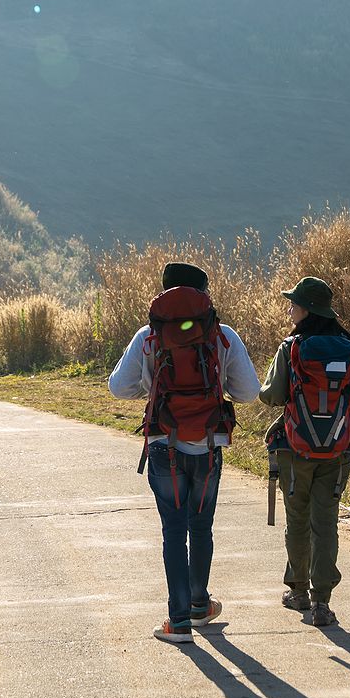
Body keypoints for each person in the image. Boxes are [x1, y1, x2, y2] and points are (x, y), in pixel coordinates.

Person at [110, 261, 261, 644]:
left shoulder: (148, 336)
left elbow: (118, 386)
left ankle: (177, 622)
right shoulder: (222, 336)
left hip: (164, 445)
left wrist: (153, 389)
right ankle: (198, 604)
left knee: (173, 532)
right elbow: (248, 393)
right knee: (201, 525)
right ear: (204, 295)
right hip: (209, 446)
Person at [260, 276, 350, 628]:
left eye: (294, 304)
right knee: (325, 523)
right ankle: (322, 604)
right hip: (337, 449)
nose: (289, 308)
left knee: (297, 519)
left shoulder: (291, 348)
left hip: (294, 448)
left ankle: (298, 591)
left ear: (307, 310)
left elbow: (270, 395)